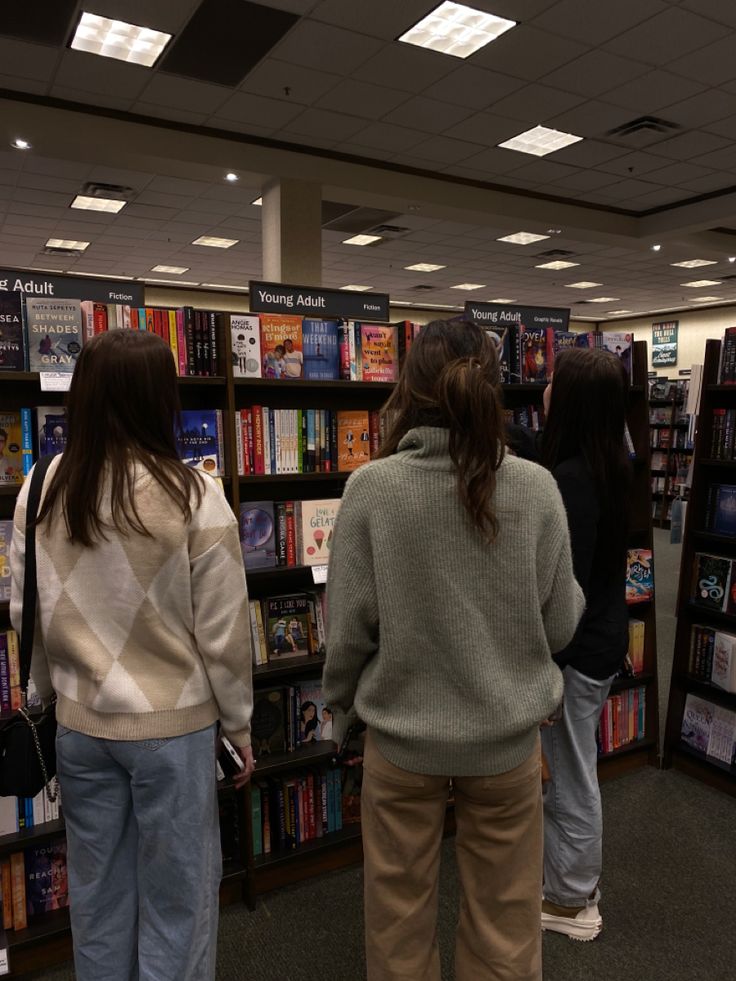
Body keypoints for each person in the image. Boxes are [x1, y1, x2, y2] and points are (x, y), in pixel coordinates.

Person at [322, 319, 584, 981]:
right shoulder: (536, 488)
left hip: (402, 746)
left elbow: (348, 631)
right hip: (505, 747)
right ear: (493, 387)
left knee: (397, 926)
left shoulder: (371, 489)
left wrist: (338, 708)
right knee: (506, 925)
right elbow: (560, 626)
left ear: (407, 389)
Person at [9, 330, 255, 981]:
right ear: (159, 398)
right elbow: (226, 632)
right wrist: (238, 725)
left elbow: (24, 608)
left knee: (97, 898)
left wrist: (40, 694)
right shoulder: (194, 495)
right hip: (173, 729)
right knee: (180, 901)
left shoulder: (39, 488)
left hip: (79, 725)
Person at [538, 347, 632, 942]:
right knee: (578, 765)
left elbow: (560, 586)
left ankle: (572, 903)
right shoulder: (613, 461)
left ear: (569, 400)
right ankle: (573, 884)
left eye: (551, 382)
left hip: (577, 646)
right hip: (602, 636)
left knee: (572, 774)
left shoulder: (569, 481)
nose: (542, 389)